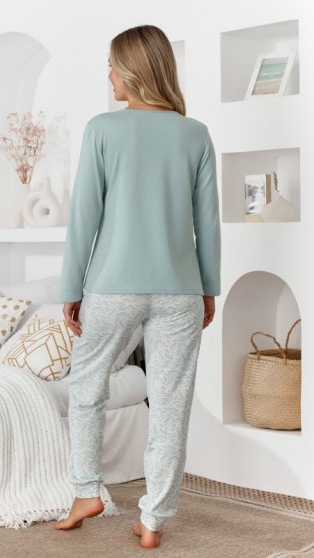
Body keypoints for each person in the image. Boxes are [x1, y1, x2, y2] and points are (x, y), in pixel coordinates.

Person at [54, 24, 221, 549]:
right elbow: (207, 224)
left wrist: (71, 288)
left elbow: (84, 218)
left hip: (112, 287)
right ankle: (154, 519)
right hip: (181, 291)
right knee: (171, 404)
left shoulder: (102, 129)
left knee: (87, 387)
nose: (108, 76)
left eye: (112, 65)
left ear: (132, 69)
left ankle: (87, 491)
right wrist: (208, 289)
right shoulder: (195, 134)